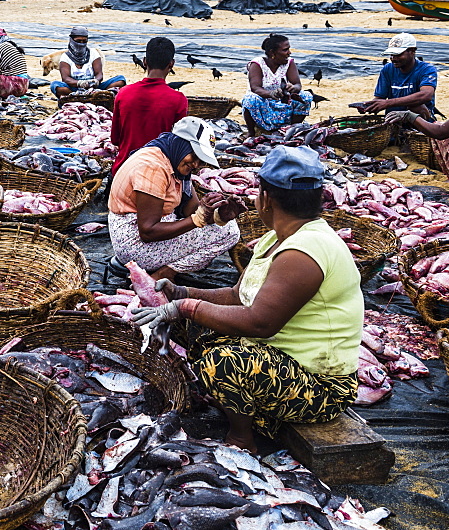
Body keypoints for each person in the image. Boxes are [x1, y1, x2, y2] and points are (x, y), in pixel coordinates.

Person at [132, 146, 361, 453]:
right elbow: (236, 296)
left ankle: (243, 439)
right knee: (195, 329)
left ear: (265, 198)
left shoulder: (305, 250)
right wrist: (183, 293)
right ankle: (246, 406)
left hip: (320, 385)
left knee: (222, 363)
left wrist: (186, 307)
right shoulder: (277, 237)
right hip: (279, 357)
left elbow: (259, 322)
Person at [108, 116, 244, 281]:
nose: (195, 164)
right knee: (229, 232)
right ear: (181, 143)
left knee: (227, 225)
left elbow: (191, 210)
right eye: (194, 155)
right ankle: (164, 273)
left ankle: (167, 269)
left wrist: (217, 215)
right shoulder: (153, 167)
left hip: (150, 230)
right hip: (134, 243)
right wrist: (199, 219)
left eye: (200, 160)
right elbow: (148, 231)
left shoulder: (173, 160)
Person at [110, 37, 188, 175]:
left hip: (123, 170)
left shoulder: (123, 93)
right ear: (171, 64)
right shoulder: (178, 100)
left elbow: (115, 139)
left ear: (145, 62)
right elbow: (178, 147)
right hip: (157, 174)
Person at [241, 34, 313, 136]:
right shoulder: (257, 64)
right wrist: (271, 94)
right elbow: (255, 88)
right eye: (285, 50)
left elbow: (297, 84)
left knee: (306, 96)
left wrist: (293, 88)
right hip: (263, 105)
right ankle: (251, 133)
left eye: (288, 49)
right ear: (272, 52)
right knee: (250, 99)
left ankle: (291, 130)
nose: (289, 52)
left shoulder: (289, 63)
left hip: (282, 104)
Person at [360, 33, 437, 120]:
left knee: (416, 106)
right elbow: (380, 98)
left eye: (398, 54)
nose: (393, 58)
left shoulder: (426, 69)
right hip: (393, 118)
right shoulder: (387, 69)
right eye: (391, 55)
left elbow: (426, 95)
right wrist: (368, 105)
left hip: (420, 119)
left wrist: (388, 103)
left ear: (412, 51)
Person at [50, 27, 126, 99]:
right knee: (56, 85)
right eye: (78, 41)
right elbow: (66, 78)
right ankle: (80, 98)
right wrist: (79, 83)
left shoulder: (93, 53)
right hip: (74, 89)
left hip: (94, 88)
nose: (81, 44)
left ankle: (95, 96)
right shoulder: (65, 57)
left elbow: (99, 73)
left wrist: (96, 81)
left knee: (120, 79)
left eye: (84, 41)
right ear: (72, 40)